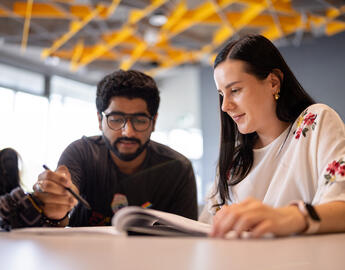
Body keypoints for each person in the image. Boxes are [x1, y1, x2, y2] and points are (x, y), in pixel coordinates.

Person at [199, 34, 345, 238]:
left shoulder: (315, 122)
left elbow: (341, 206)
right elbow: (207, 228)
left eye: (235, 90)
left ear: (273, 83)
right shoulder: (234, 161)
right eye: (222, 94)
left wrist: (289, 217)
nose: (225, 106)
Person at [32, 69, 198, 227]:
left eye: (140, 120)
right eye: (116, 119)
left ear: (153, 122)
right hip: (85, 255)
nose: (128, 132)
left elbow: (187, 239)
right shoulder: (82, 153)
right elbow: (66, 194)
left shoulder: (177, 169)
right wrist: (57, 203)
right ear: (99, 120)